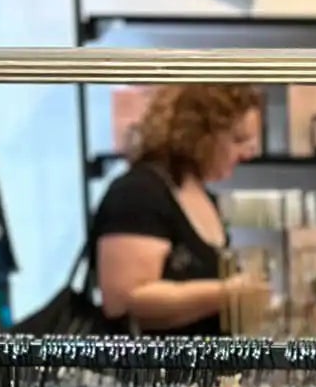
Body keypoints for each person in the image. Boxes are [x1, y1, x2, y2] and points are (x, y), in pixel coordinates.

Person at [91, 85, 266, 334]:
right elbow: (125, 301)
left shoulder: (201, 194)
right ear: (200, 134)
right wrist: (227, 293)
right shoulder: (139, 193)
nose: (246, 153)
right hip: (152, 369)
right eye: (237, 139)